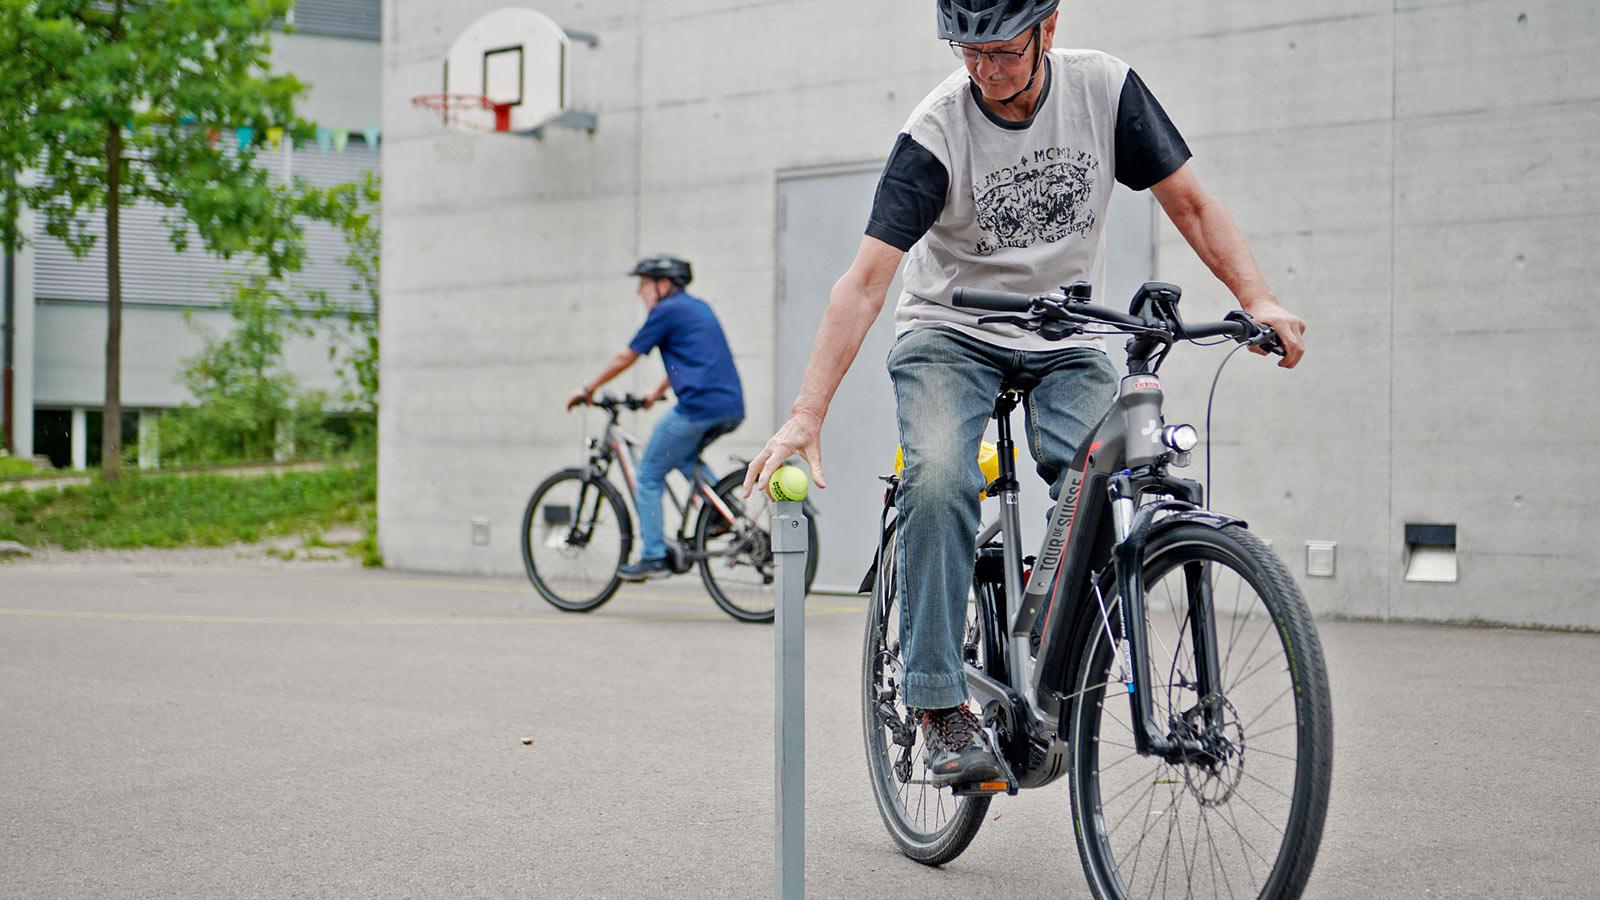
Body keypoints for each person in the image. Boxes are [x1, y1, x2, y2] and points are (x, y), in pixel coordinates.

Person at [744, 0, 1307, 785]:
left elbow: (1192, 204)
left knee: (1111, 475)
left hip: (1066, 335)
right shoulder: (936, 131)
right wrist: (806, 414)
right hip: (950, 330)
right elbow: (865, 282)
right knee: (940, 477)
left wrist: (1259, 298)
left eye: (1003, 51)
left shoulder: (1103, 90)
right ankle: (939, 706)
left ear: (1049, 28)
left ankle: (1055, 644)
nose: (984, 70)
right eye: (967, 51)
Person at [568, 255, 745, 581]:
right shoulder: (696, 307)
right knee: (682, 456)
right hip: (729, 406)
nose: (639, 291)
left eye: (644, 284)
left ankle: (653, 556)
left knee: (648, 473)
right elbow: (693, 358)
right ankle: (723, 513)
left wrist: (588, 388)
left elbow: (626, 356)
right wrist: (655, 393)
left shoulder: (666, 311)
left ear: (663, 285)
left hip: (699, 406)